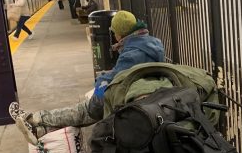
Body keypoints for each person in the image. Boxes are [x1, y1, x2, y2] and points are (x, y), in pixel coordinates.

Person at [9, 10, 165, 144]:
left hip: (129, 97)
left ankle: (35, 119)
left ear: (120, 33)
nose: (114, 36)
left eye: (115, 32)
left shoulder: (132, 53)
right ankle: (40, 130)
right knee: (85, 107)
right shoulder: (152, 44)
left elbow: (118, 76)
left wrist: (101, 82)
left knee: (83, 110)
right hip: (146, 93)